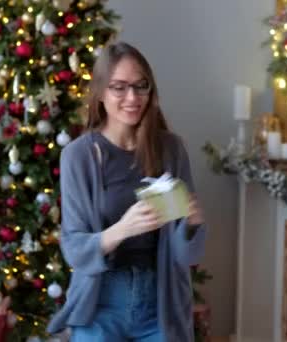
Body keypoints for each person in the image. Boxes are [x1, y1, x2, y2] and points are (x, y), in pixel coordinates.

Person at [46, 41, 207, 342]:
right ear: (101, 93)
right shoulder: (79, 156)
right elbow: (75, 250)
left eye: (140, 86)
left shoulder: (171, 149)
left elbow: (188, 255)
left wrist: (192, 224)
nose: (132, 97)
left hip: (161, 305)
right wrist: (122, 229)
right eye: (119, 87)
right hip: (100, 305)